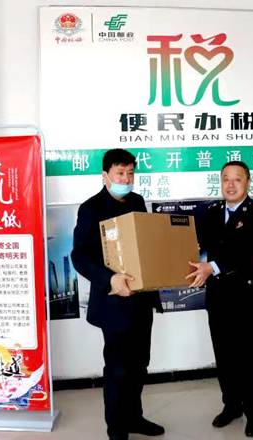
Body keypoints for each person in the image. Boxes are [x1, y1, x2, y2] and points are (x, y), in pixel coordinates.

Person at [71, 149, 164, 440]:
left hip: (141, 298)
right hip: (113, 301)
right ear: (105, 175)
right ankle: (117, 427)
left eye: (130, 173)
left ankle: (134, 418)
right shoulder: (90, 208)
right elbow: (79, 256)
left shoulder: (137, 201)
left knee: (139, 364)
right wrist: (109, 278)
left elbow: (143, 244)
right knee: (118, 368)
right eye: (120, 173)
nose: (126, 179)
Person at [186, 161, 253, 438]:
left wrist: (212, 267)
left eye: (237, 179)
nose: (230, 184)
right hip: (219, 296)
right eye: (225, 179)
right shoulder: (211, 212)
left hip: (247, 297)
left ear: (248, 182)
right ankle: (232, 405)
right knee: (224, 355)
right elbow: (193, 241)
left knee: (250, 357)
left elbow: (250, 253)